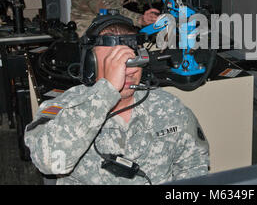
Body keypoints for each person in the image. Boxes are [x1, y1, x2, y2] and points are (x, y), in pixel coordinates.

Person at [24, 12, 210, 185]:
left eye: (130, 60)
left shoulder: (168, 107)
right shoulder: (61, 107)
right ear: (91, 65)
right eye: (114, 63)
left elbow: (194, 163)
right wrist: (108, 90)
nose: (126, 72)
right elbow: (47, 162)